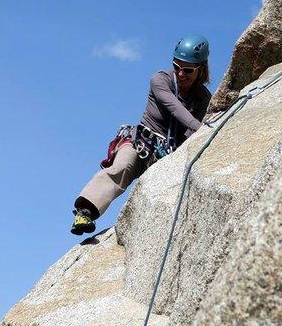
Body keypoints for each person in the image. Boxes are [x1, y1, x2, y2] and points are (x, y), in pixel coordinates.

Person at [70, 34, 212, 235]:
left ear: (201, 69)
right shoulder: (160, 79)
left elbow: (192, 133)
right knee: (122, 166)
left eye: (187, 70)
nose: (181, 73)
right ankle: (85, 211)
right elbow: (173, 107)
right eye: (177, 66)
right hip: (142, 143)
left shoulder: (203, 98)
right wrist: (201, 128)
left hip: (169, 155)